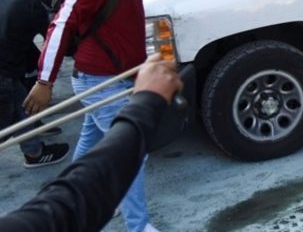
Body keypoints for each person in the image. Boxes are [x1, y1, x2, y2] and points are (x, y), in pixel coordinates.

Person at [23, 0, 155, 232]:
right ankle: (138, 226)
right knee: (130, 151)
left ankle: (75, 205)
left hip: (119, 75)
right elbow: (61, 25)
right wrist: (45, 80)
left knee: (91, 143)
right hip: (99, 79)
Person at [0, 55, 182, 232]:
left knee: (90, 137)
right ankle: (138, 225)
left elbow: (66, 207)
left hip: (108, 77)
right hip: (99, 80)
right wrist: (147, 102)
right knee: (131, 156)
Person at [0, 0, 70, 167]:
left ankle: (34, 150)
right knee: (8, 119)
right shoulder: (29, 7)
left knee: (22, 107)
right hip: (4, 71)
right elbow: (58, 43)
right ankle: (34, 153)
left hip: (11, 65)